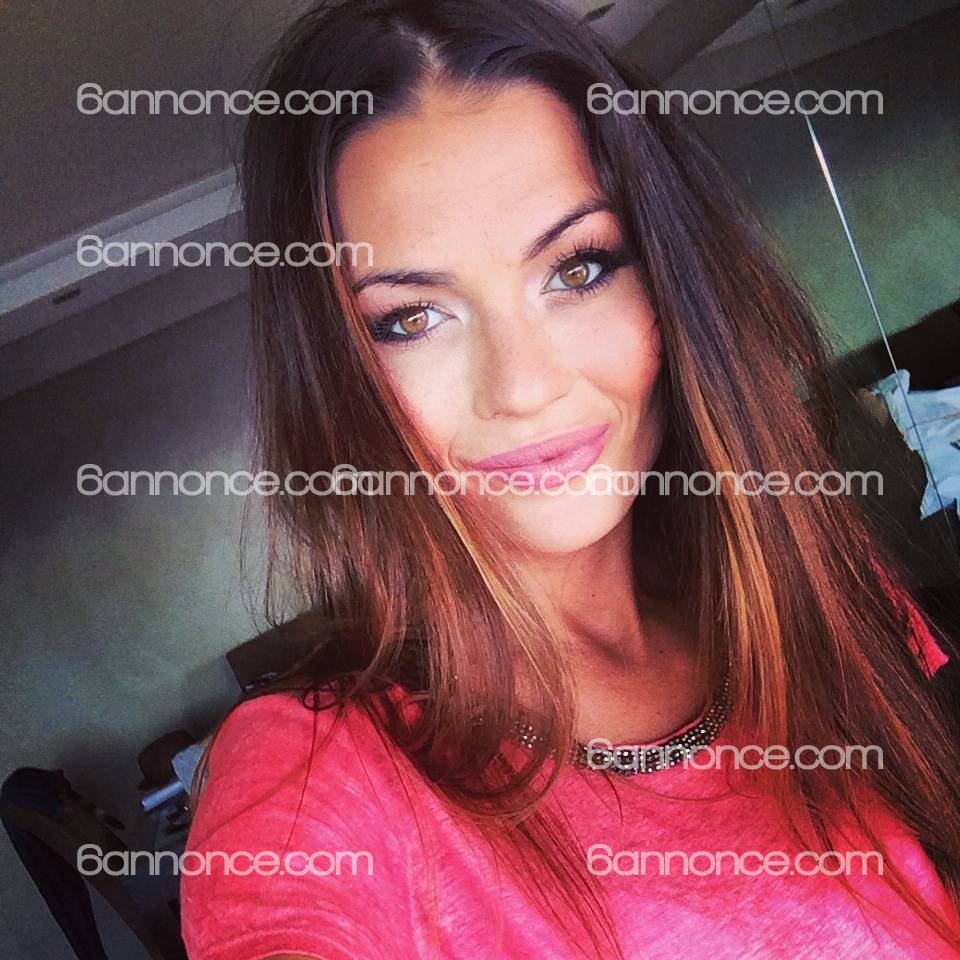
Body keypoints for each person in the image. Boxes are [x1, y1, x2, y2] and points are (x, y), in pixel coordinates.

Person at [179, 1, 960, 957]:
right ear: (338, 378)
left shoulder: (815, 591)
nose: (525, 386)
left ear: (668, 283)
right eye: (411, 319)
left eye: (578, 268)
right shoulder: (312, 780)